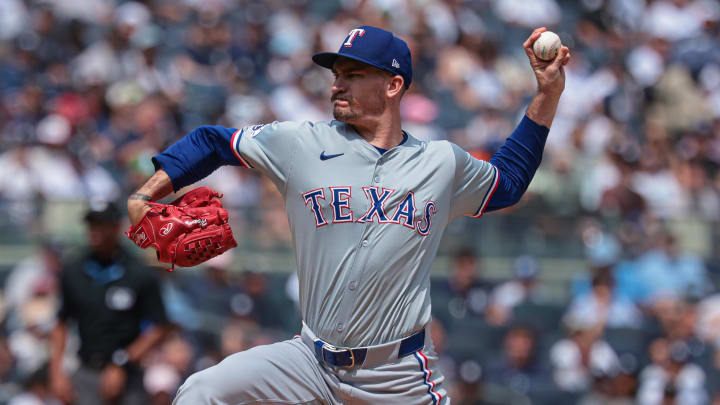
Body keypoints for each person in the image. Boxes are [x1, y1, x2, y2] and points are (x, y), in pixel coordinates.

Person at [127, 25, 570, 404]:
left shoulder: (440, 162)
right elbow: (212, 141)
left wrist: (547, 94)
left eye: (353, 75)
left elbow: (507, 182)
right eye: (336, 74)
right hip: (309, 360)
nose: (337, 84)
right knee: (202, 391)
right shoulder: (299, 143)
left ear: (393, 85)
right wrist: (149, 191)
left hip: (398, 375)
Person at [49, 202, 172, 405]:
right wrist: (56, 372)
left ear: (116, 227)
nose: (94, 231)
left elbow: (160, 326)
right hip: (86, 371)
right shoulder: (74, 270)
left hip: (128, 377)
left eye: (101, 224)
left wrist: (122, 362)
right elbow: (61, 322)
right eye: (91, 225)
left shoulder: (138, 273)